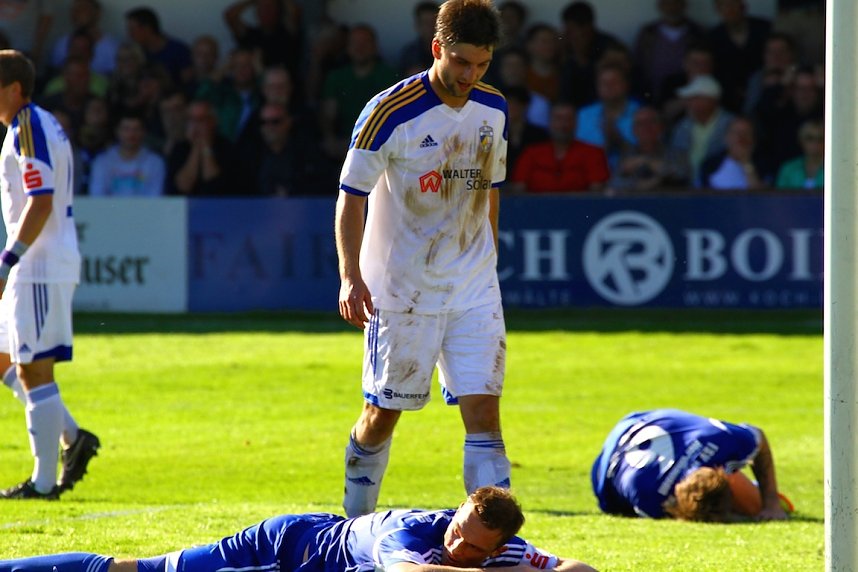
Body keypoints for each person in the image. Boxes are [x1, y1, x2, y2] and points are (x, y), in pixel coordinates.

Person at [335, 0, 512, 518]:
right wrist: (350, 276)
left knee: (484, 412)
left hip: (473, 286)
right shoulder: (389, 112)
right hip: (402, 289)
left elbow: (490, 188)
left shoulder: (495, 107)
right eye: (461, 62)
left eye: (481, 64)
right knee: (382, 414)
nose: (470, 74)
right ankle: (353, 526)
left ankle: (494, 542)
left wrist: (489, 262)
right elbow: (351, 195)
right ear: (437, 49)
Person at [0, 486, 598, 572]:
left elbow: (581, 569)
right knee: (139, 571)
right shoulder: (413, 533)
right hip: (287, 550)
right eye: (459, 527)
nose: (456, 543)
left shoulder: (507, 549)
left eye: (472, 545)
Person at [0, 49, 99, 500]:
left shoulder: (27, 126)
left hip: (38, 266)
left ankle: (42, 484)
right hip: (39, 263)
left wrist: (9, 259)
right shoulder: (39, 122)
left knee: (34, 371)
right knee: (6, 360)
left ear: (15, 88)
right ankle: (73, 437)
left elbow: (41, 200)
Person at [591, 409, 790, 522]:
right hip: (606, 467)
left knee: (757, 507)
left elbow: (759, 439)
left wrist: (770, 502)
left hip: (642, 420)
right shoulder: (650, 499)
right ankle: (753, 494)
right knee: (752, 508)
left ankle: (756, 496)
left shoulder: (722, 440)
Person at [509, 100, 609, 194]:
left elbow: (597, 191)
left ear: (576, 123)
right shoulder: (531, 153)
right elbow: (519, 189)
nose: (563, 125)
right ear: (549, 122)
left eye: (568, 119)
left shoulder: (593, 153)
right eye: (559, 119)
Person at [668, 74, 735, 187]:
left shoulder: (731, 125)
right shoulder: (682, 127)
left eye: (694, 98)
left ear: (710, 100)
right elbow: (676, 160)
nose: (688, 103)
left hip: (721, 189)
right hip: (687, 189)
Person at [607, 106, 689, 193]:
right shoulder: (625, 154)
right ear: (634, 130)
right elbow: (614, 184)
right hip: (634, 204)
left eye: (651, 122)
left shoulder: (676, 152)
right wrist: (645, 184)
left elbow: (682, 176)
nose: (646, 127)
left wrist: (646, 162)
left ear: (661, 127)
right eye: (640, 124)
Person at [88, 110, 166, 197]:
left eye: (136, 129)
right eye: (126, 129)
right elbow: (97, 197)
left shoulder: (155, 162)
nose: (131, 134)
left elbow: (155, 198)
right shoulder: (102, 161)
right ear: (117, 131)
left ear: (144, 132)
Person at [124, 6, 192, 88]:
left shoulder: (179, 51)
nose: (129, 35)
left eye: (132, 30)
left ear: (147, 29)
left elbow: (189, 84)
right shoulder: (135, 52)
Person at [48, 0, 120, 77]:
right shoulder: (61, 44)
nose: (78, 13)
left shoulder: (113, 47)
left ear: (97, 13)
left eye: (83, 9)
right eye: (74, 10)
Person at [699, 116, 770, 190]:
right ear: (726, 137)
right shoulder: (710, 165)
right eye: (736, 133)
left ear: (753, 139)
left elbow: (760, 197)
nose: (740, 138)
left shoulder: (763, 164)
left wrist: (746, 162)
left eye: (746, 133)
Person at [775, 118, 823, 190]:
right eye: (810, 138)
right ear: (800, 140)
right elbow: (780, 198)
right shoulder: (788, 169)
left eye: (820, 138)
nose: (815, 143)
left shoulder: (834, 169)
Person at [398, 1, 440, 76]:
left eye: (433, 22)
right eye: (426, 23)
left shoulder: (449, 51)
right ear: (417, 25)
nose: (430, 27)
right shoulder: (409, 54)